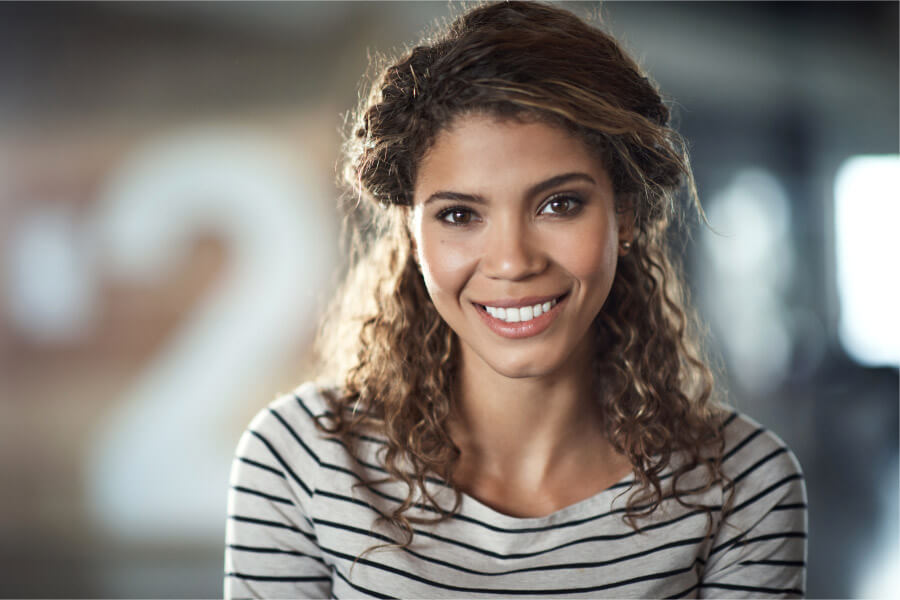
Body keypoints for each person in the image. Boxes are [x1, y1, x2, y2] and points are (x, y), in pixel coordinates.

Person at [224, 2, 807, 597]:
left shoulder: (744, 484)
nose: (512, 261)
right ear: (410, 232)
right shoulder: (300, 460)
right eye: (458, 214)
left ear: (624, 212)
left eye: (559, 204)